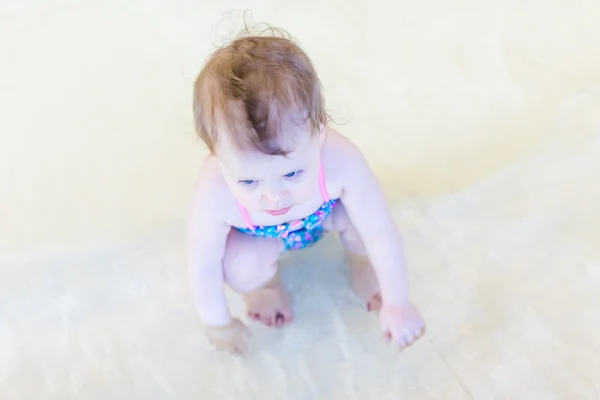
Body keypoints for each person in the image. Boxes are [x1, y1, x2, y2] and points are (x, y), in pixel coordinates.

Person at [187, 30, 425, 354]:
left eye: (293, 173)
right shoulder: (214, 192)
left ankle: (360, 263)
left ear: (320, 131)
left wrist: (398, 302)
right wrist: (218, 324)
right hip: (256, 235)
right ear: (214, 155)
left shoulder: (341, 160)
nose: (274, 197)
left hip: (324, 215)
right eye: (249, 182)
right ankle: (265, 287)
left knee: (361, 222)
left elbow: (380, 230)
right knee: (242, 265)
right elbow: (203, 265)